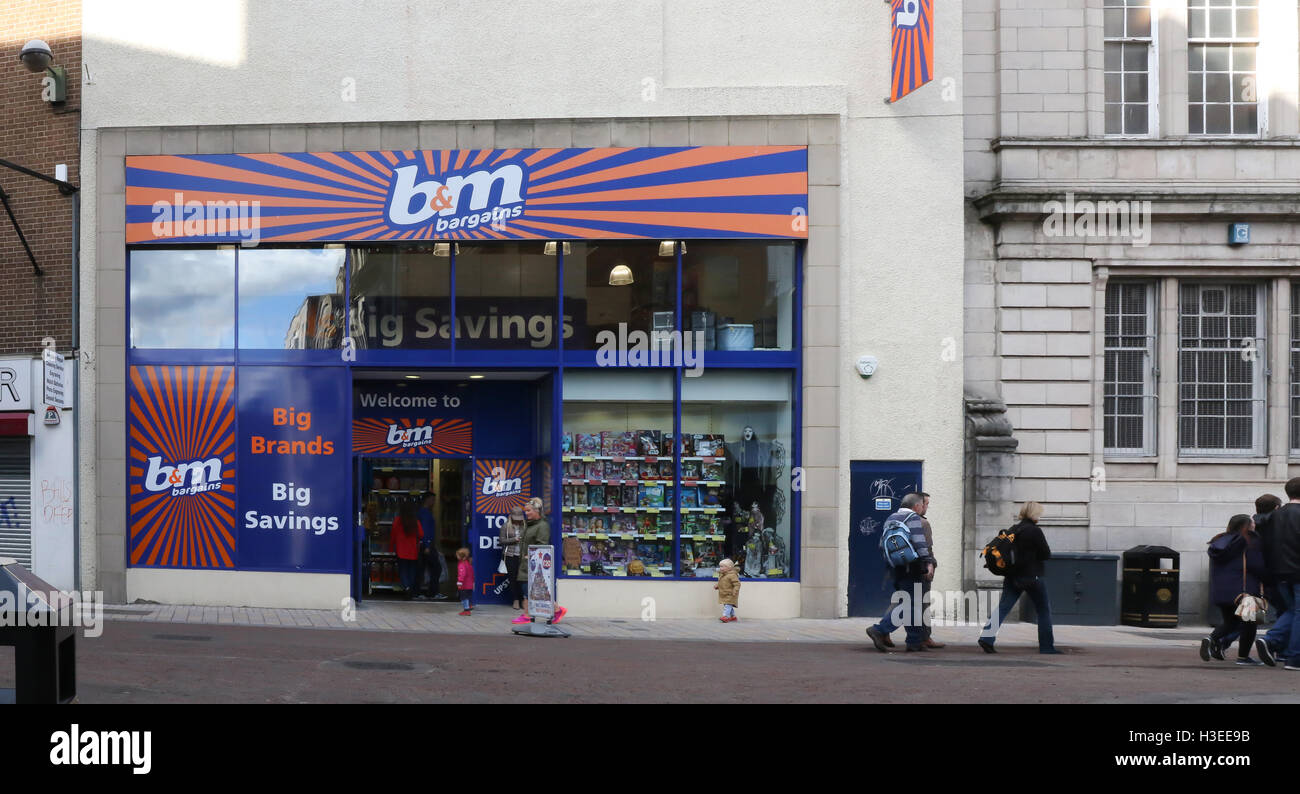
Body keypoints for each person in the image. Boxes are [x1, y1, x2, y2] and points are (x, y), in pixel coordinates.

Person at [977, 501, 1060, 654]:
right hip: (1032, 577)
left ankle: (987, 638)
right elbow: (1046, 554)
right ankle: (1047, 646)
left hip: (1012, 577)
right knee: (1043, 611)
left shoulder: (1014, 530)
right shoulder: (1035, 531)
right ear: (1035, 514)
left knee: (1003, 608)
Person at [865, 493, 936, 652]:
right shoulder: (914, 518)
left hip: (896, 567)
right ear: (916, 506)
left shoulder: (891, 518)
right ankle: (880, 629)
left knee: (911, 603)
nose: (924, 508)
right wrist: (928, 563)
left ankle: (914, 642)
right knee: (911, 604)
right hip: (914, 566)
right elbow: (920, 543)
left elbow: (882, 544)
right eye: (923, 505)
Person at [1200, 514, 1268, 665]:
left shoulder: (1219, 541)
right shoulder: (1249, 540)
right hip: (1246, 590)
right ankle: (1243, 657)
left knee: (1230, 622)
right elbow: (1257, 565)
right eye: (1252, 524)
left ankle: (1211, 638)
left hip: (1222, 591)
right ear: (1247, 526)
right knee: (1250, 624)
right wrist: (1268, 579)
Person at [1257, 478, 1300, 670]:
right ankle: (1293, 656)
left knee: (1292, 611)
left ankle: (1272, 642)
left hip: (1279, 572)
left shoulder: (1274, 515)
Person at [512, 497, 567, 625]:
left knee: (531, 590)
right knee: (531, 590)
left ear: (537, 511)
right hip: (527, 564)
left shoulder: (542, 526)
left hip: (533, 565)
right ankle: (552, 611)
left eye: (529, 510)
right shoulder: (530, 525)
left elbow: (542, 545)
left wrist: (530, 557)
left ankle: (531, 614)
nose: (526, 513)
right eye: (526, 510)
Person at [391, 499, 423, 601]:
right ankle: (411, 588)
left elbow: (393, 535)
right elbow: (421, 534)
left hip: (401, 550)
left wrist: (391, 547)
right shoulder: (415, 521)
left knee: (403, 570)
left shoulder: (397, 520)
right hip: (413, 550)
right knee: (412, 570)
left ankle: (407, 587)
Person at [417, 492, 445, 600]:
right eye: (433, 500)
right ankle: (433, 592)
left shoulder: (424, 512)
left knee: (422, 568)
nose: (434, 502)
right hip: (427, 545)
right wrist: (428, 545)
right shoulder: (425, 513)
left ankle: (418, 592)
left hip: (425, 544)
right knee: (436, 568)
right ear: (427, 500)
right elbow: (425, 530)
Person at [499, 506, 526, 610]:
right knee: (513, 579)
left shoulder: (525, 526)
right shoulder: (506, 526)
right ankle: (515, 600)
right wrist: (514, 539)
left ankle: (523, 599)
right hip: (510, 556)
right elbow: (501, 541)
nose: (517, 521)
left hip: (523, 556)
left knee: (522, 579)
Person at [715, 558, 741, 622]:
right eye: (720, 566)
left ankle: (725, 616)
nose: (720, 568)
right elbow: (721, 582)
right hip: (724, 593)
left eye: (722, 566)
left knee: (727, 605)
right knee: (728, 605)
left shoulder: (732, 575)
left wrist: (735, 591)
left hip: (731, 593)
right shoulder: (722, 574)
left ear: (729, 567)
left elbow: (737, 584)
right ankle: (733, 616)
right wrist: (717, 586)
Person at [455, 547, 474, 616]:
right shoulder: (468, 564)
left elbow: (462, 574)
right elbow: (472, 574)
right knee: (468, 596)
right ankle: (469, 606)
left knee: (463, 598)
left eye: (457, 555)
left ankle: (466, 610)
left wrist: (459, 582)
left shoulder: (462, 564)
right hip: (469, 585)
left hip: (464, 585)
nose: (456, 556)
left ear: (461, 556)